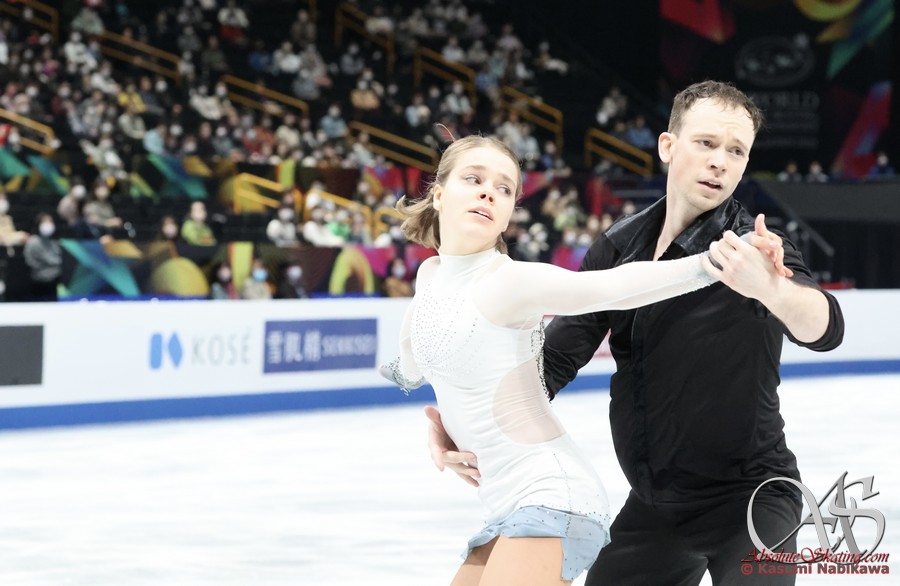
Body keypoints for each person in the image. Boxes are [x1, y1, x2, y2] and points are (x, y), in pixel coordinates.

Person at [426, 82, 845, 585]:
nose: (720, 161)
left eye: (736, 151)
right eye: (706, 143)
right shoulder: (618, 246)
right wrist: (463, 422)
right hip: (654, 506)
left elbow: (825, 328)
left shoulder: (751, 249)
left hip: (752, 499)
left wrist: (771, 289)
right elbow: (553, 362)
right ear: (668, 146)